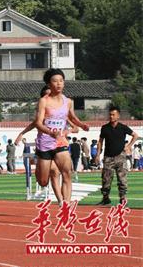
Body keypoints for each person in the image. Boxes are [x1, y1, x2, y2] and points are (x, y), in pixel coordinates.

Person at [34, 69, 89, 205]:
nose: (59, 84)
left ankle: (66, 206)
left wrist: (82, 125)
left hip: (60, 143)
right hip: (45, 143)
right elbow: (38, 123)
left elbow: (72, 117)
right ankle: (39, 170)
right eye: (55, 81)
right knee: (43, 181)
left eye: (61, 81)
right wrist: (50, 132)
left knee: (67, 174)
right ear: (48, 84)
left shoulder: (68, 101)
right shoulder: (43, 101)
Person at [97, 106, 139, 205]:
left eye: (113, 115)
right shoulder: (104, 128)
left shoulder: (123, 127)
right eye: (110, 114)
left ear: (118, 116)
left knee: (122, 179)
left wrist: (128, 146)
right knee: (106, 179)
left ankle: (123, 198)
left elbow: (135, 135)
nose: (111, 116)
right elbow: (100, 141)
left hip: (120, 156)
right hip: (108, 157)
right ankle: (105, 198)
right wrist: (98, 155)